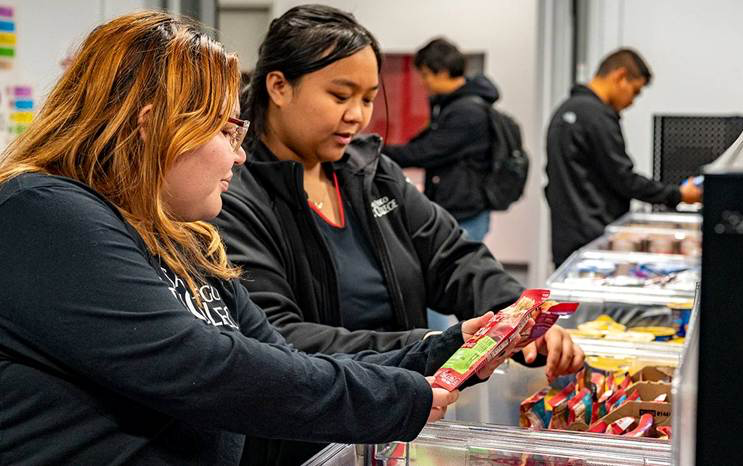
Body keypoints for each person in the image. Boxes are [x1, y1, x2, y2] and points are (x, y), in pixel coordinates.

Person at [0, 11, 524, 465]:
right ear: (150, 126)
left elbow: (278, 356)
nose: (239, 155)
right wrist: (397, 397)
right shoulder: (43, 213)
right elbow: (210, 370)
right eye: (225, 132)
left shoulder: (180, 237)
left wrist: (447, 351)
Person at [214, 5, 584, 463]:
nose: (357, 116)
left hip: (394, 423)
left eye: (368, 98)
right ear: (278, 86)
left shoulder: (370, 172)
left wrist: (517, 316)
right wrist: (429, 348)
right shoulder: (232, 194)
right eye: (340, 95)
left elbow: (452, 256)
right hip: (306, 442)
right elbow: (280, 338)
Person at [545, 48, 702, 267]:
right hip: (594, 240)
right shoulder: (596, 116)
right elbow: (623, 178)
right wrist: (677, 195)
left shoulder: (564, 111)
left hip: (566, 237)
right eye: (635, 91)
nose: (632, 102)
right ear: (620, 77)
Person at [382, 37, 497, 242]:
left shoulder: (467, 112)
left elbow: (428, 151)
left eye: (426, 75)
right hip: (454, 206)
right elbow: (424, 142)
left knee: (458, 271)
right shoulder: (451, 105)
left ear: (443, 72)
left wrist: (378, 151)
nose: (423, 82)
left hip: (464, 211)